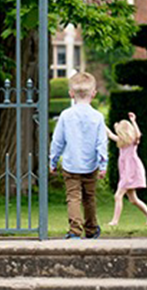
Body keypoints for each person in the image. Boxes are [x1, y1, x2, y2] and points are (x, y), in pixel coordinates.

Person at [49, 72, 108, 239]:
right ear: (94, 93)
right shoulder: (97, 117)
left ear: (71, 94)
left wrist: (53, 161)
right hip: (91, 165)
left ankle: (75, 230)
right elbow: (101, 143)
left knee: (73, 197)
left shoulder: (66, 116)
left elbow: (57, 141)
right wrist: (103, 165)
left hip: (71, 164)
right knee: (89, 198)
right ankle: (91, 229)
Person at [106, 112, 147, 226]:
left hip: (130, 172)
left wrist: (134, 121)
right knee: (133, 200)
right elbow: (109, 134)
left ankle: (115, 221)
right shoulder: (121, 141)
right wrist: (100, 123)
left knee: (118, 196)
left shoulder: (133, 141)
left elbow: (138, 134)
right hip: (127, 173)